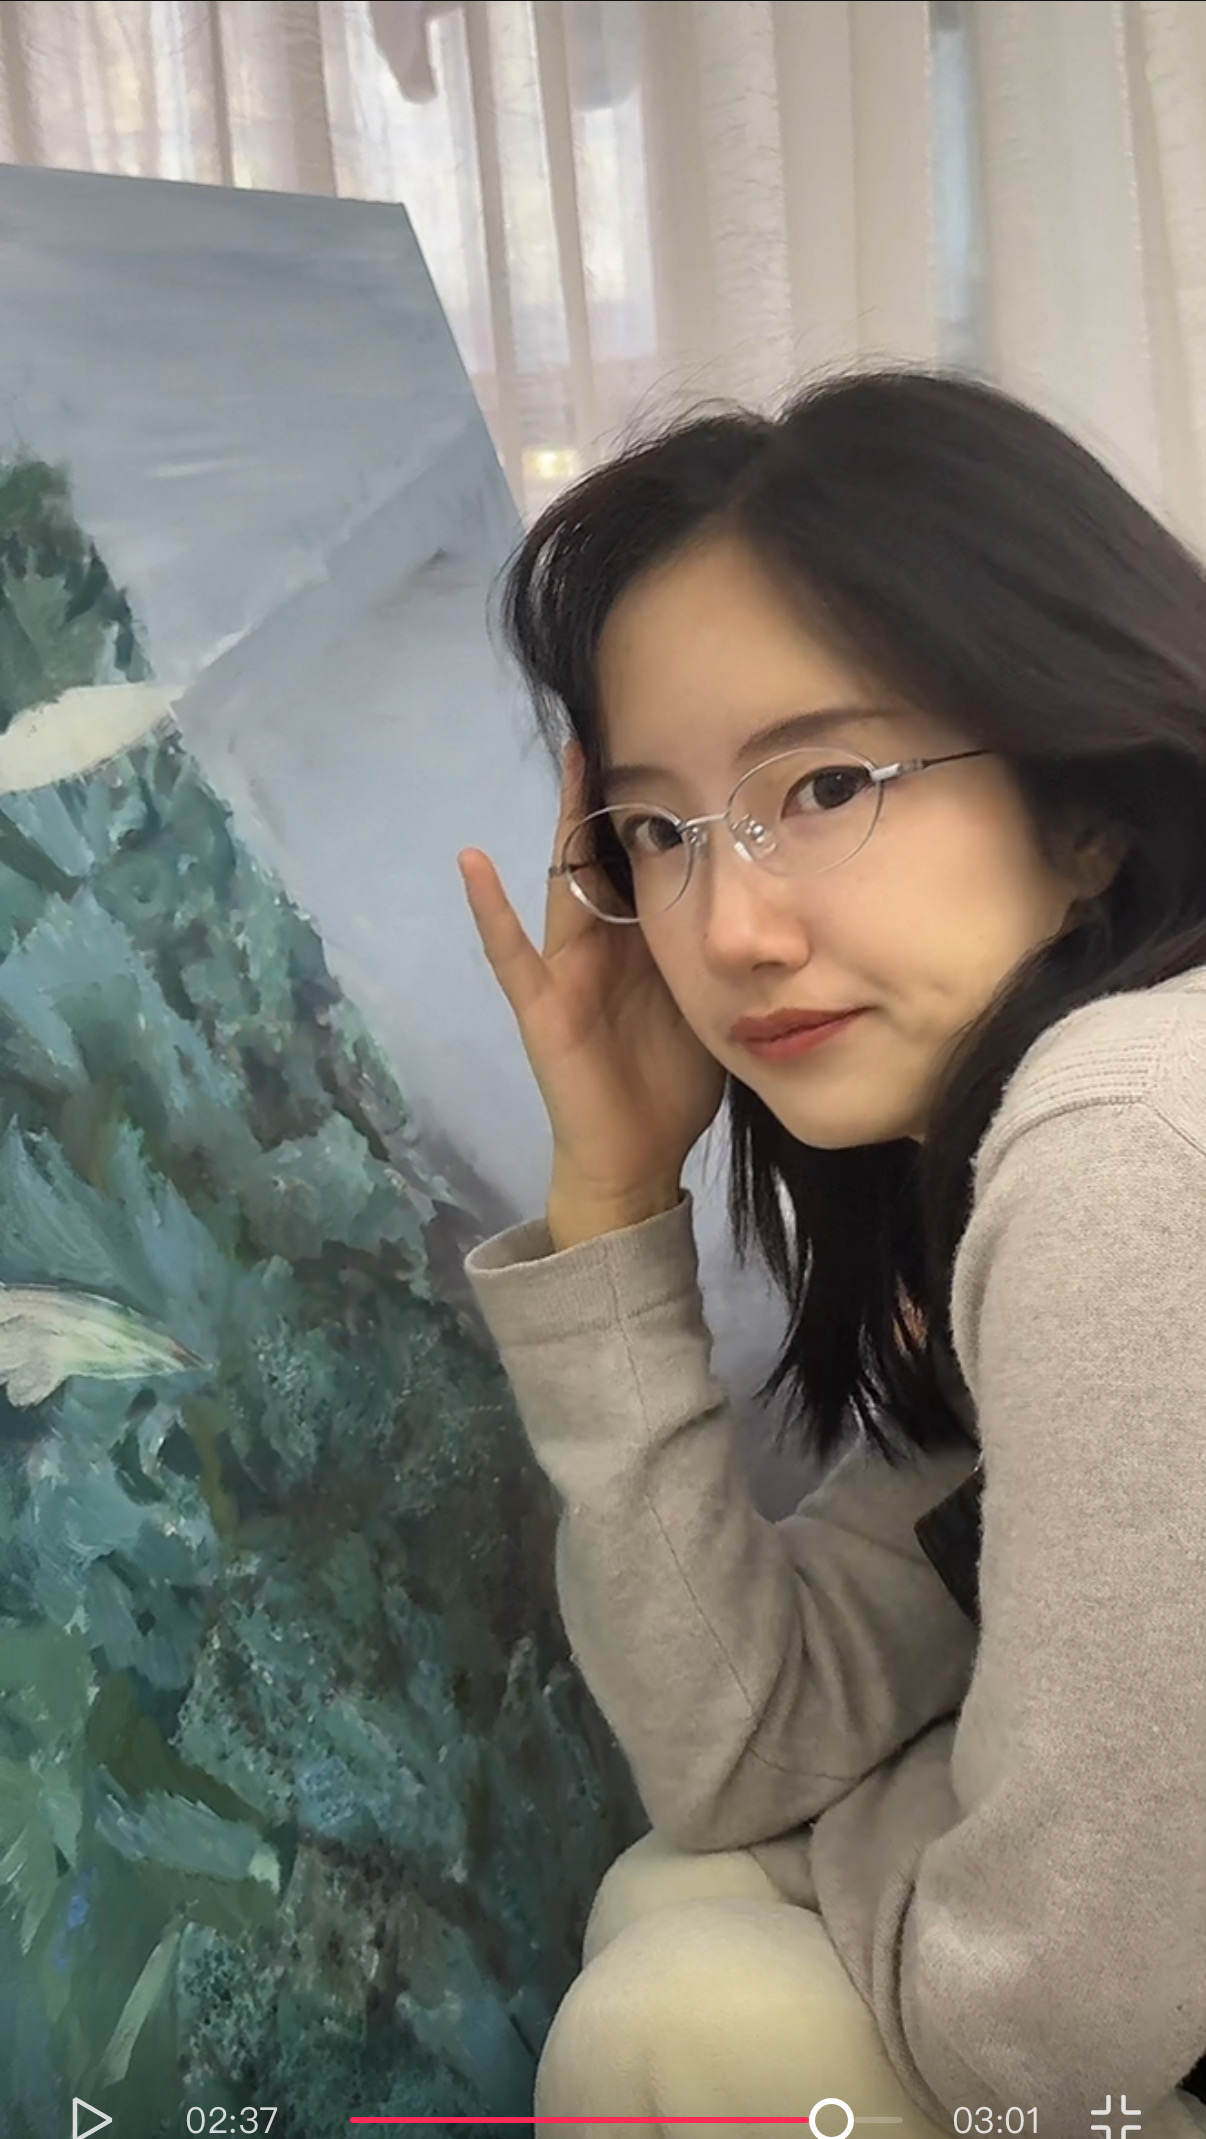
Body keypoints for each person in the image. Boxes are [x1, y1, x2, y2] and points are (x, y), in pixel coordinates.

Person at [455, 369, 1206, 2138]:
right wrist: (611, 1201)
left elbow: (1044, 2042)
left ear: (1082, 801)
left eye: (825, 784)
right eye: (659, 832)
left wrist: (860, 1835)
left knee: (685, 2010)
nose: (728, 926)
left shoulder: (1124, 1133)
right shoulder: (1027, 1147)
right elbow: (746, 1740)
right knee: (683, 1906)